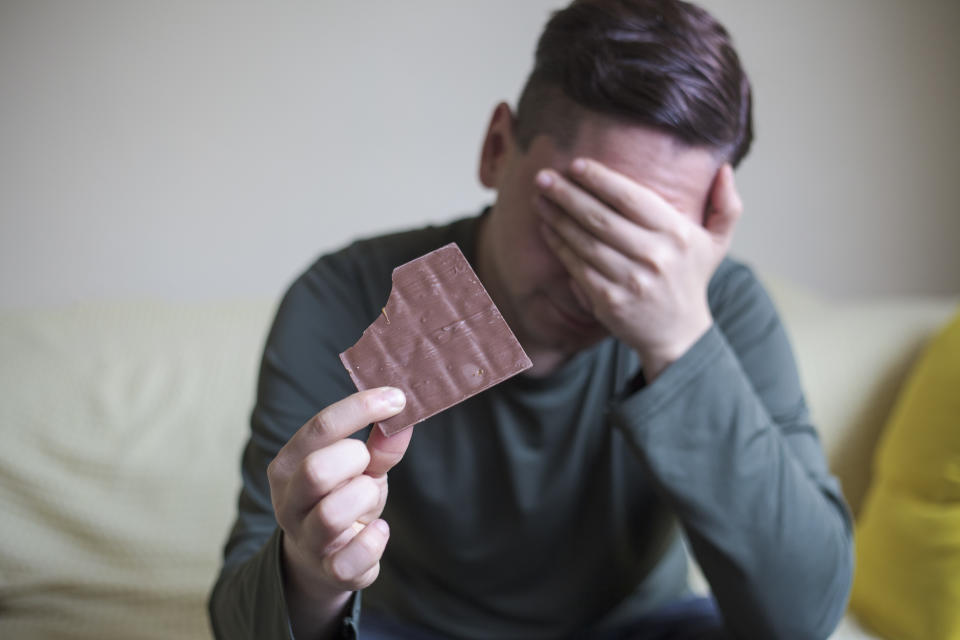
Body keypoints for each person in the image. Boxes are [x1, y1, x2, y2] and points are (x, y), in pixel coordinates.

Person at [209, 0, 854, 638]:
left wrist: (681, 341)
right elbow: (241, 622)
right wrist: (310, 574)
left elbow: (802, 620)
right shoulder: (346, 299)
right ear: (497, 149)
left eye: (648, 249)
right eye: (578, 219)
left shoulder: (723, 309)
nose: (598, 283)